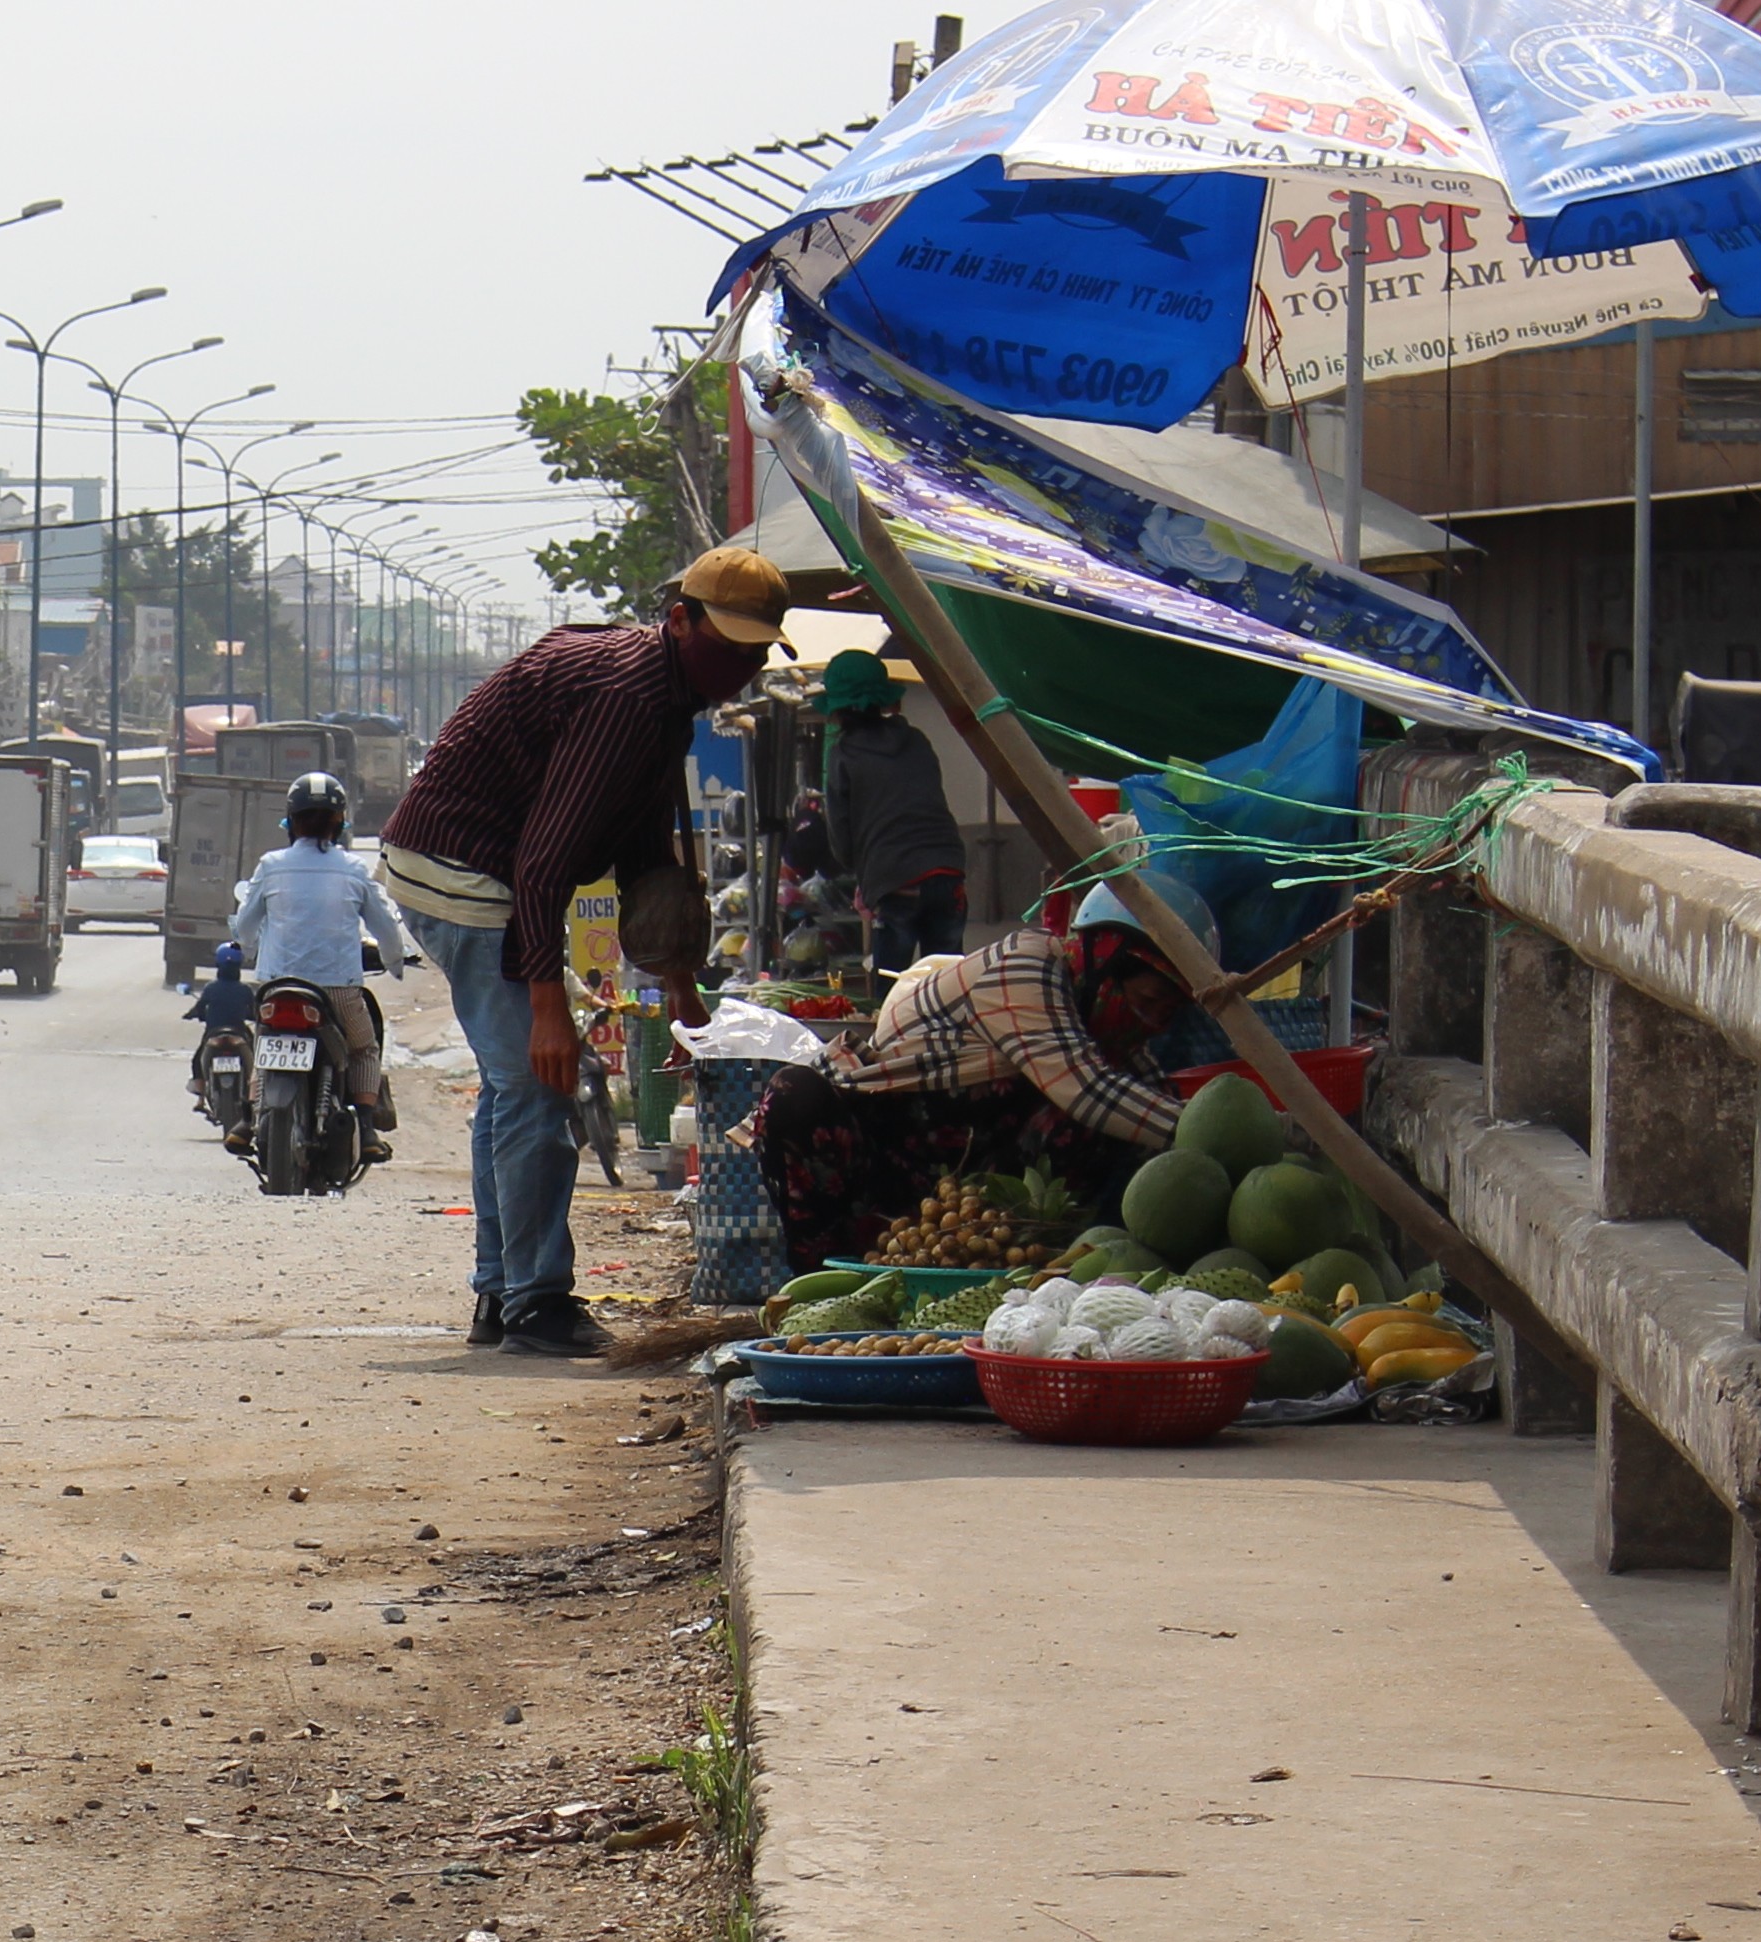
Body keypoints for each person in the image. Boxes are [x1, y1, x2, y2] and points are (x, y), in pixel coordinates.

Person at [378, 546, 783, 1354]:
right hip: (466, 869)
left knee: (512, 1089)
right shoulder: (628, 694)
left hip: (477, 867)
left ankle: (503, 1293)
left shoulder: (669, 693)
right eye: (726, 645)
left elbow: (641, 849)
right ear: (680, 620)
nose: (738, 666)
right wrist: (548, 1010)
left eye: (755, 652)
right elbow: (543, 862)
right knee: (537, 1080)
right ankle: (536, 1301)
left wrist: (681, 988)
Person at [745, 883, 1194, 1269]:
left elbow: (1147, 1099)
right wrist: (1198, 1130)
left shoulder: (1109, 1040)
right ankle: (815, 1280)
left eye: (1166, 1014)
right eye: (1147, 999)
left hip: (963, 1212)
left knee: (1114, 1131)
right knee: (794, 1095)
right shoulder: (1027, 964)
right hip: (880, 1156)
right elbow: (1087, 1087)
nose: (1151, 1022)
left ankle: (1025, 1266)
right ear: (1104, 965)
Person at [222, 770, 417, 1146]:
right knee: (363, 1049)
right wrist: (394, 962)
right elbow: (386, 929)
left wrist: (245, 948)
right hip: (338, 988)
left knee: (266, 1040)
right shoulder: (353, 868)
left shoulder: (270, 865)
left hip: (276, 984)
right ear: (340, 822)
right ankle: (368, 1128)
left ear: (290, 821)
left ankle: (247, 1120)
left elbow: (245, 926)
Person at [819, 649, 967, 977]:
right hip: (947, 869)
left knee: (893, 989)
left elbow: (842, 842)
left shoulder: (842, 755)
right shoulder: (916, 740)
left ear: (838, 709)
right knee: (948, 985)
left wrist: (863, 872)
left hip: (895, 878)